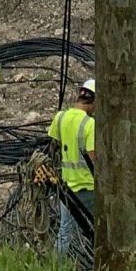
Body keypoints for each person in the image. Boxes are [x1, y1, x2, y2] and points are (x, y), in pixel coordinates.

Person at [46, 76, 97, 260]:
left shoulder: (60, 118)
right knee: (102, 226)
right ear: (93, 101)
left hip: (66, 185)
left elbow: (53, 147)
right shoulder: (90, 124)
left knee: (66, 229)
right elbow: (94, 157)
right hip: (88, 186)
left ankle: (57, 269)